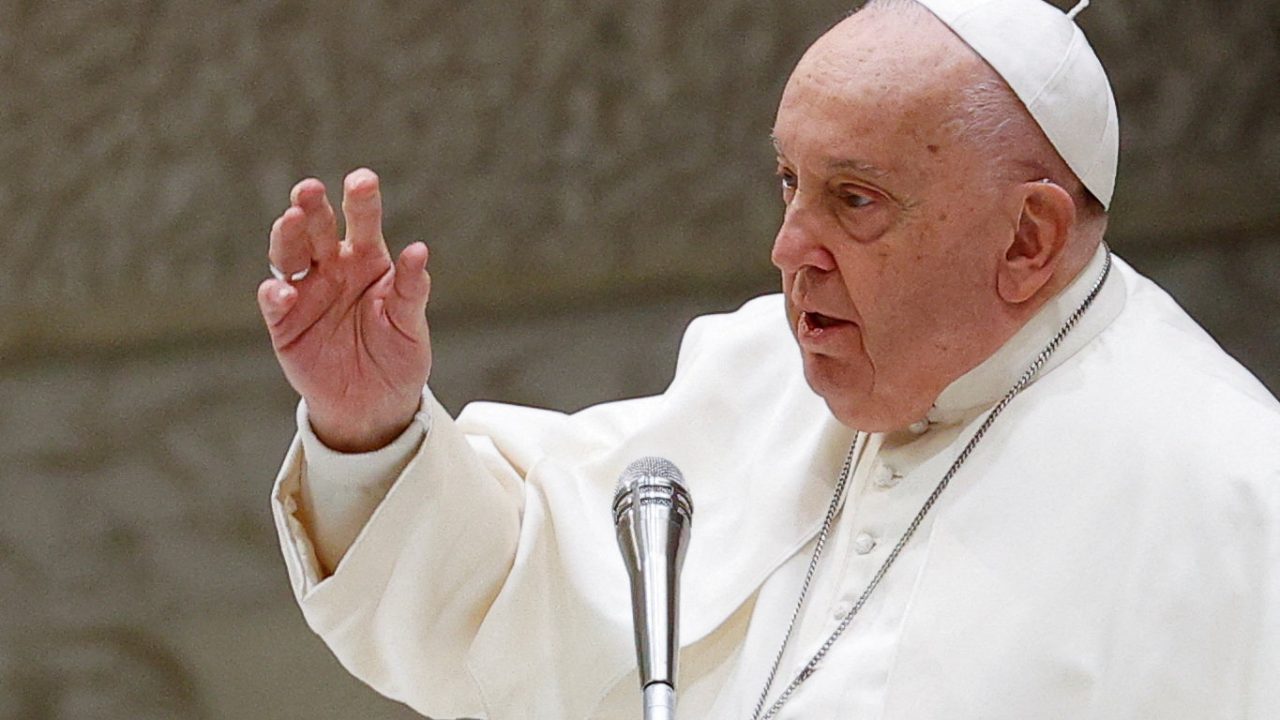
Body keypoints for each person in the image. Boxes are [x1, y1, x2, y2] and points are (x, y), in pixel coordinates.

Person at [257, 0, 1280, 718]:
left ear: (1025, 241)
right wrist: (372, 425)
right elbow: (518, 602)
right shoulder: (761, 366)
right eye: (786, 182)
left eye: (854, 199)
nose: (788, 248)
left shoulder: (1230, 497)